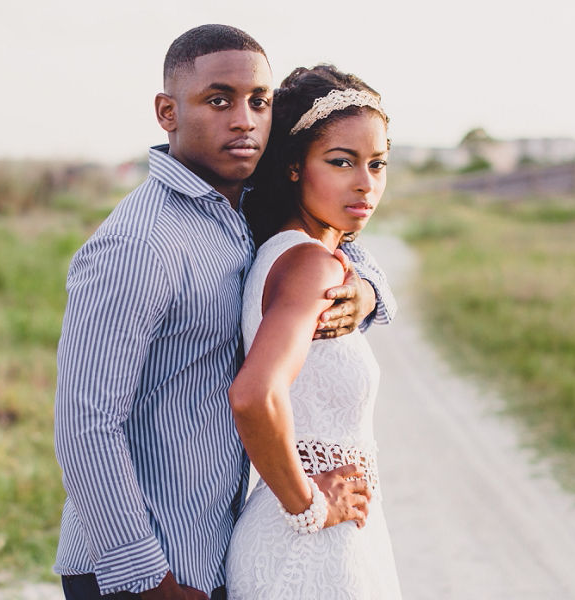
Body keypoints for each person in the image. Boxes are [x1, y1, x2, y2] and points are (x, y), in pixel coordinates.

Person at [54, 26, 396, 600]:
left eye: (259, 101)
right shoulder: (142, 243)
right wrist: (148, 579)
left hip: (212, 554)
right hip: (142, 570)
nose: (244, 120)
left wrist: (369, 291)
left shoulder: (235, 212)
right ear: (167, 111)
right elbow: (86, 424)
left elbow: (329, 241)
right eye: (218, 100)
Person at [224, 65, 402, 599]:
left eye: (377, 164)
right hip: (307, 548)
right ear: (296, 167)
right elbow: (254, 395)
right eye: (341, 161)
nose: (365, 183)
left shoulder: (294, 253)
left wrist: (371, 290)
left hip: (319, 539)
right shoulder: (310, 266)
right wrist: (310, 508)